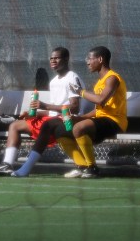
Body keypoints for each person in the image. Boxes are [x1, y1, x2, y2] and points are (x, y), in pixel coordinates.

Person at [12, 46, 126, 179]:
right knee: (59, 130)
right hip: (100, 120)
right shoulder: (99, 82)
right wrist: (80, 118)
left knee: (77, 128)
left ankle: (92, 168)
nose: (87, 62)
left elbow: (100, 100)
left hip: (115, 121)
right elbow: (99, 110)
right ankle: (82, 166)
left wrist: (80, 92)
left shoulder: (112, 78)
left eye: (90, 58)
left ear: (100, 59)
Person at [0, 47, 84, 175]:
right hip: (54, 118)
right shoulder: (54, 81)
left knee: (47, 126)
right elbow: (54, 110)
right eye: (51, 58)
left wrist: (45, 105)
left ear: (66, 59)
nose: (53, 61)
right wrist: (35, 113)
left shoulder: (72, 77)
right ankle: (7, 164)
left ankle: (26, 168)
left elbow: (74, 107)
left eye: (57, 58)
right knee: (15, 125)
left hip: (67, 120)